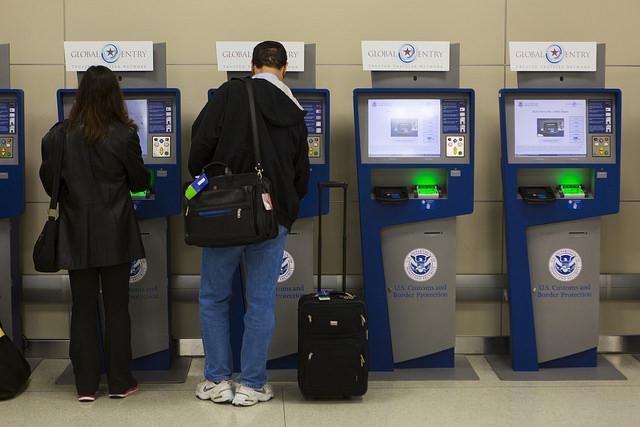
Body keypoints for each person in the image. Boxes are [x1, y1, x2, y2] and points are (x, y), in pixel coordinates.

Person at [189, 41, 309, 406]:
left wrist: (209, 184)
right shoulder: (294, 108)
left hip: (224, 215)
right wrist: (285, 206)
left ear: (252, 65)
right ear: (284, 68)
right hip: (272, 217)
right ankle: (253, 384)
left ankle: (217, 381)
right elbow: (300, 172)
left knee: (214, 297)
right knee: (260, 303)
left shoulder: (231, 93)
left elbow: (200, 146)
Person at [39, 65, 150, 402]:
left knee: (83, 308)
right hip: (115, 231)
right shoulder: (124, 134)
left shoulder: (59, 134)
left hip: (75, 233)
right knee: (117, 309)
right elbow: (139, 182)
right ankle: (119, 382)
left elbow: (49, 183)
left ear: (81, 94)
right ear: (114, 96)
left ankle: (85, 385)